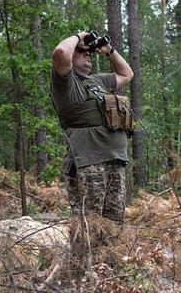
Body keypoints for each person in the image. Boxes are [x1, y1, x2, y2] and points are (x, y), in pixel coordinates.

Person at [51, 31, 134, 231]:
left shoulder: (96, 80)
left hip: (115, 160)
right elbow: (61, 52)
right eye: (81, 51)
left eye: (89, 52)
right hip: (88, 162)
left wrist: (109, 51)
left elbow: (127, 74)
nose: (87, 54)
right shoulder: (66, 82)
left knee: (113, 226)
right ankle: (83, 263)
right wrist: (79, 37)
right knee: (89, 226)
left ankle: (108, 263)